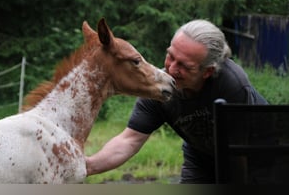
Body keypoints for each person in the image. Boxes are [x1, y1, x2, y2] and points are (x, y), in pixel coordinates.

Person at [85, 19, 268, 184]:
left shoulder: (231, 86)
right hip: (201, 158)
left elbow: (238, 155)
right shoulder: (160, 88)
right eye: (170, 56)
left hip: (261, 157)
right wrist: (86, 166)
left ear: (207, 72)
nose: (171, 69)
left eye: (184, 66)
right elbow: (129, 140)